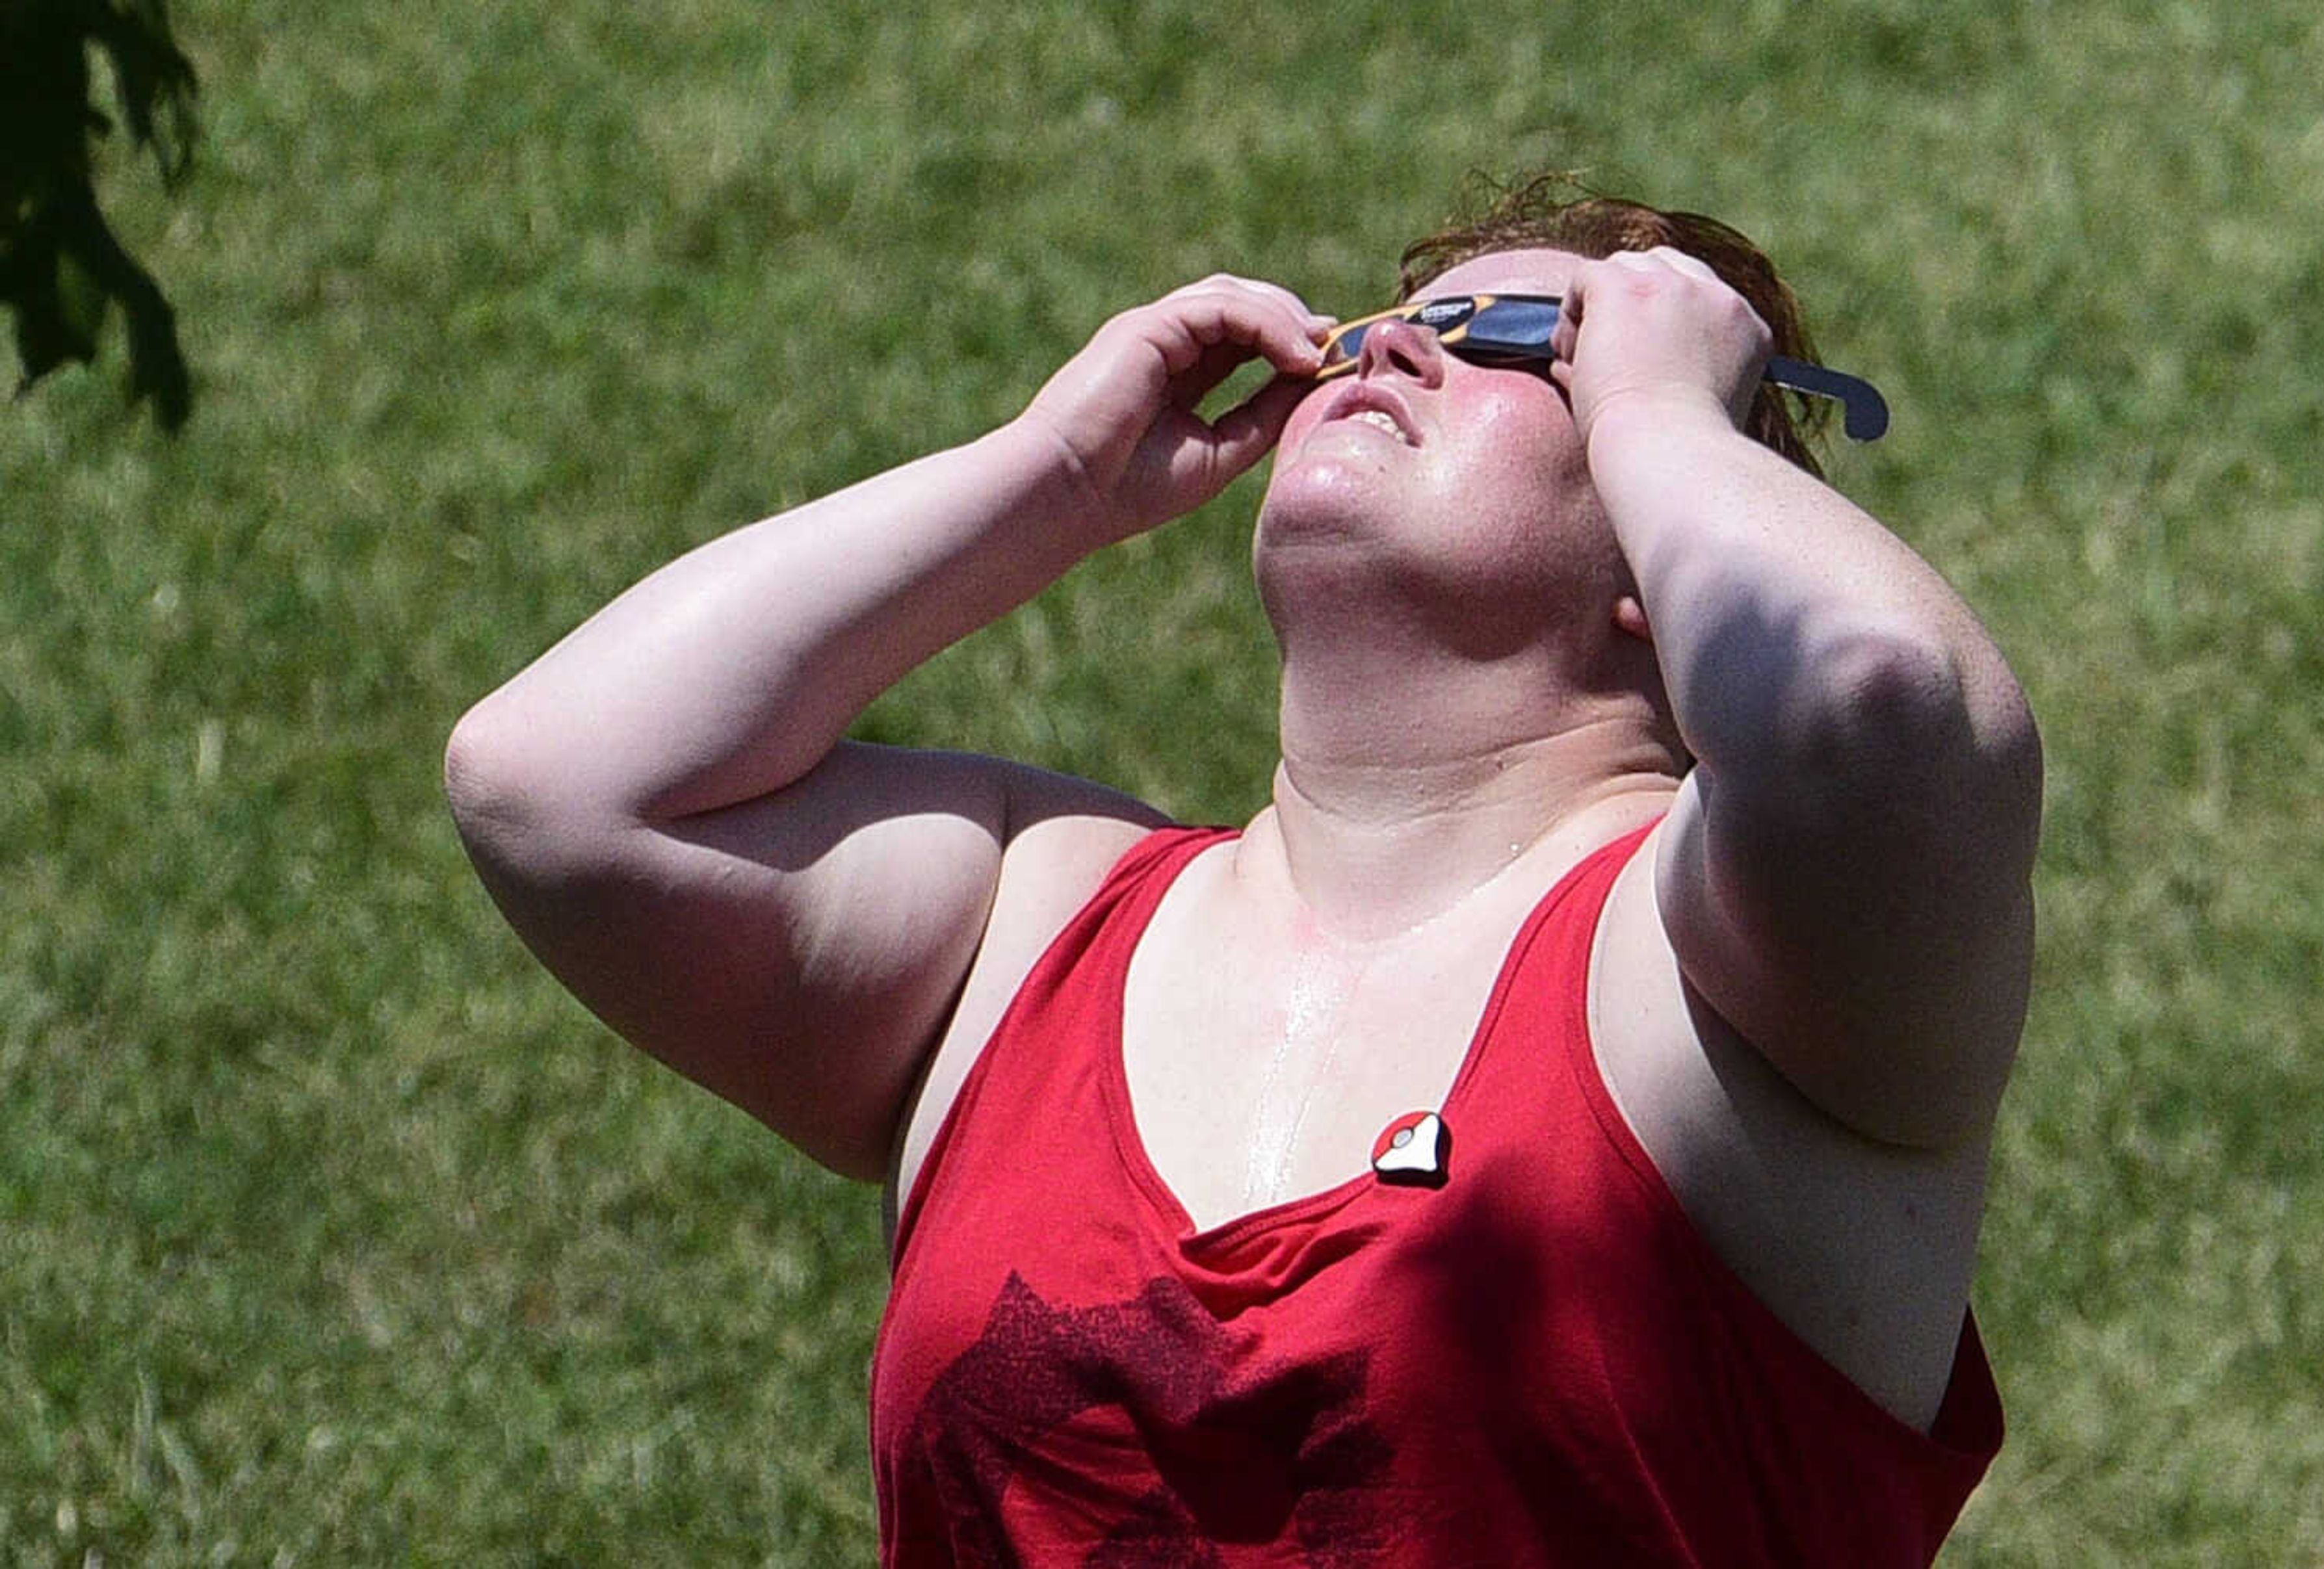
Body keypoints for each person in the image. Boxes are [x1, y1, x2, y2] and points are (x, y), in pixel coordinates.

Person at [445, 180, 2041, 1565]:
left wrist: (1660, 408)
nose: (1396, 346)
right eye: (1377, 328)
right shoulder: (1033, 918)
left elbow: (1870, 702)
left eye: (1514, 351)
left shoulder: (1719, 981)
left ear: (1658, 553)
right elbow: (562, 789)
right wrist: (1050, 476)